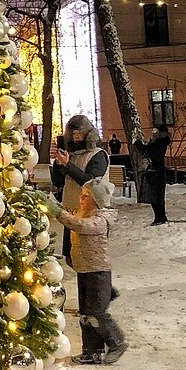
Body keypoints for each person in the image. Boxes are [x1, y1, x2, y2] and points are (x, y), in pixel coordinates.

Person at [48, 178, 127, 365]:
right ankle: (92, 351)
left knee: (96, 312)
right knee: (86, 314)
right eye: (81, 195)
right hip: (84, 270)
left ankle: (116, 342)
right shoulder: (84, 214)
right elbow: (72, 217)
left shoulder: (99, 221)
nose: (81, 199)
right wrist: (54, 206)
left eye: (86, 196)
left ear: (96, 200)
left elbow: (78, 225)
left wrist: (57, 212)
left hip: (97, 272)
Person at [52, 114, 110, 268]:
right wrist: (59, 165)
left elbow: (91, 183)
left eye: (79, 133)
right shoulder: (71, 155)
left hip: (91, 214)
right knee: (71, 257)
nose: (76, 137)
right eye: (73, 133)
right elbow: (58, 182)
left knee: (90, 257)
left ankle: (98, 284)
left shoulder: (98, 154)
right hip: (71, 211)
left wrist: (68, 165)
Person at [134, 123, 170, 226]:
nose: (153, 132)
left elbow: (147, 151)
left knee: (156, 196)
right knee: (156, 196)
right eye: (153, 130)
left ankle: (160, 218)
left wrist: (138, 144)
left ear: (160, 132)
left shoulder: (159, 142)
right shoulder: (158, 141)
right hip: (155, 171)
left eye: (155, 131)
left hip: (156, 171)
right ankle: (160, 217)